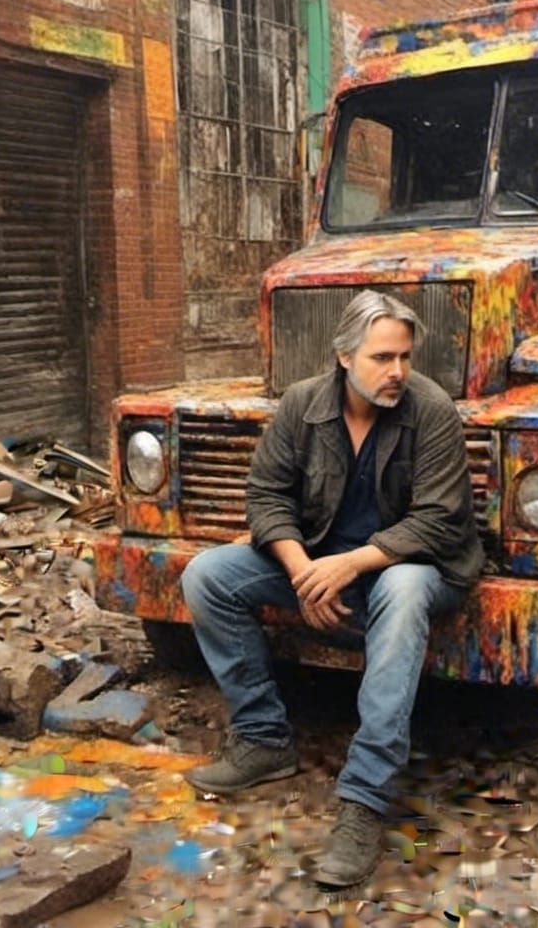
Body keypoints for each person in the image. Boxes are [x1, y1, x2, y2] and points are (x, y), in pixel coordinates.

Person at [181, 290, 484, 887]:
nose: (397, 371)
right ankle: (263, 740)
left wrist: (346, 566)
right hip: (321, 565)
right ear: (344, 356)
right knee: (207, 575)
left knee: (401, 589)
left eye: (404, 357)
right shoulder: (303, 405)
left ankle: (365, 799)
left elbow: (438, 520)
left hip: (414, 569)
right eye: (382, 358)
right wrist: (304, 573)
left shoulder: (431, 410)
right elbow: (266, 496)